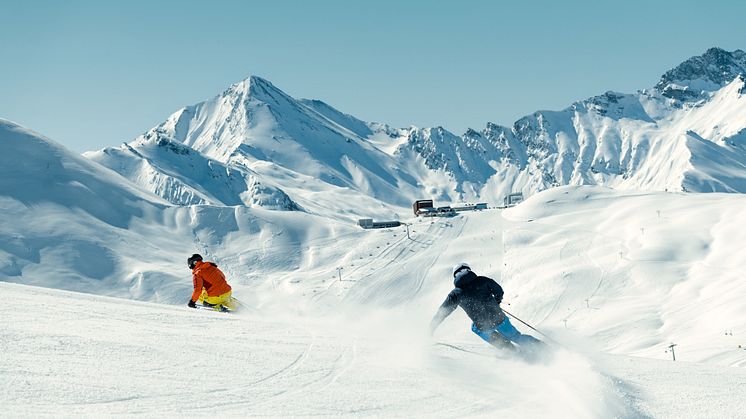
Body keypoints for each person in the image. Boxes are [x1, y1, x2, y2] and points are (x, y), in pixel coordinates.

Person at [430, 262, 543, 351]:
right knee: (516, 336)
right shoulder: (483, 280)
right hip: (499, 318)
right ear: (468, 270)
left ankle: (507, 348)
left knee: (475, 328)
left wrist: (432, 327)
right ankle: (542, 348)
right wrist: (496, 302)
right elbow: (499, 291)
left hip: (483, 326)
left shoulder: (456, 293)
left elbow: (443, 311)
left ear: (455, 276)